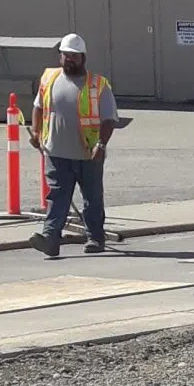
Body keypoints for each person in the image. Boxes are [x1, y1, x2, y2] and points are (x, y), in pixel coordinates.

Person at [29, 33, 117, 258]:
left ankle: (95, 237)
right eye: (65, 55)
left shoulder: (98, 85)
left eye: (74, 56)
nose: (69, 60)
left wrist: (101, 144)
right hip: (56, 152)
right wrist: (37, 132)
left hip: (89, 153)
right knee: (57, 197)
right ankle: (51, 239)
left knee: (92, 197)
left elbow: (109, 119)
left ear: (83, 58)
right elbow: (38, 107)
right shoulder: (49, 78)